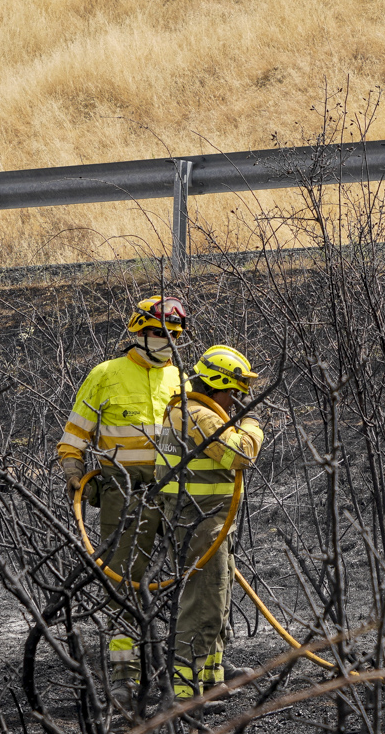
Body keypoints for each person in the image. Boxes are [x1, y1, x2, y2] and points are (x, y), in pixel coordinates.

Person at [55, 294, 189, 685]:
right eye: (157, 332)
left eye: (174, 334)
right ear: (137, 331)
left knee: (194, 576)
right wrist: (73, 470)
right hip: (123, 493)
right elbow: (74, 436)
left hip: (175, 491)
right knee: (124, 581)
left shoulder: (180, 378)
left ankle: (188, 663)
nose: (167, 340)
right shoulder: (105, 375)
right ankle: (125, 670)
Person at [154, 344, 265, 695]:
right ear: (215, 383)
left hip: (206, 520)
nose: (235, 400)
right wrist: (252, 424)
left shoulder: (188, 409)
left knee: (217, 602)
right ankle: (185, 692)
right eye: (233, 392)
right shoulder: (200, 416)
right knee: (204, 606)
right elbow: (240, 454)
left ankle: (211, 678)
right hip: (200, 523)